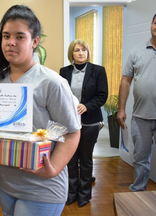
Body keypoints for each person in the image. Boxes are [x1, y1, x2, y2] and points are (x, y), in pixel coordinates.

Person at [0, 5, 81, 216]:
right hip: (6, 183)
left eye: (20, 36)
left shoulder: (51, 82)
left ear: (34, 41)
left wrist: (54, 168)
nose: (11, 42)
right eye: (6, 36)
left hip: (42, 187)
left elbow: (72, 131)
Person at [117, 9, 156, 192]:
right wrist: (121, 109)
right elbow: (126, 80)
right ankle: (138, 194)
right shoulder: (137, 51)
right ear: (151, 25)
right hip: (140, 117)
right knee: (140, 160)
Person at [60, 39, 108, 207]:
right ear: (71, 54)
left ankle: (84, 195)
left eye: (84, 50)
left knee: (86, 159)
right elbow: (61, 95)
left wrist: (86, 106)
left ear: (88, 53)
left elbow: (102, 96)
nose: (80, 53)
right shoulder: (64, 72)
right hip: (70, 122)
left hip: (90, 122)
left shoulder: (98, 71)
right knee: (71, 160)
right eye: (77, 50)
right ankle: (71, 193)